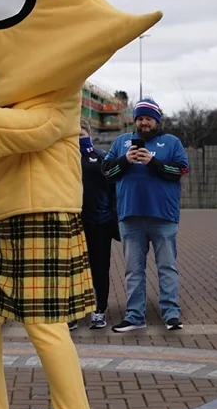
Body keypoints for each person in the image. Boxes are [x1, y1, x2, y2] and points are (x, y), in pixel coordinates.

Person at [104, 98, 190, 331]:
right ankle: (134, 316)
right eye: (140, 118)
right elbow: (107, 172)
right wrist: (125, 160)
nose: (144, 123)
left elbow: (182, 170)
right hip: (130, 217)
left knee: (166, 267)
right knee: (133, 269)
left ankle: (171, 314)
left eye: (148, 118)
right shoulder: (122, 142)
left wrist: (153, 162)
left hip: (163, 217)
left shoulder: (171, 142)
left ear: (157, 121)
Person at [74, 121, 118, 328]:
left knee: (100, 269)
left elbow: (113, 190)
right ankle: (72, 313)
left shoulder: (101, 157)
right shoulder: (62, 157)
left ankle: (99, 311)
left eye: (81, 133)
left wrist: (111, 216)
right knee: (73, 270)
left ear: (88, 133)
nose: (78, 136)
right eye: (74, 133)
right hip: (72, 225)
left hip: (100, 223)